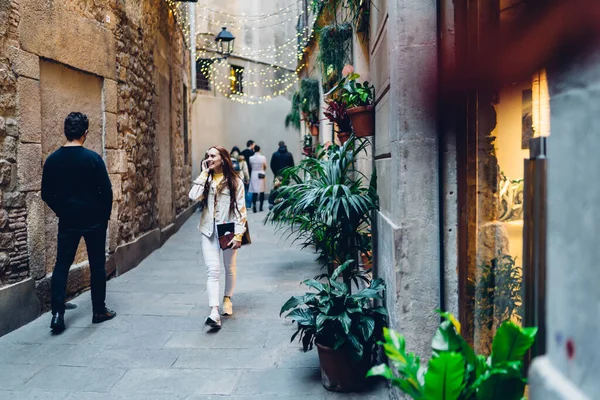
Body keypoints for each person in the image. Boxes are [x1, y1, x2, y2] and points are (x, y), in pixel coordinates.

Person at [41, 112, 116, 334]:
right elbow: (107, 191)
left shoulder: (53, 160)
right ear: (85, 133)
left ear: (65, 131)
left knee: (62, 265)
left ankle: (57, 315)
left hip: (68, 220)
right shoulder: (93, 159)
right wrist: (104, 216)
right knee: (97, 266)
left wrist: (62, 210)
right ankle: (98, 311)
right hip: (94, 221)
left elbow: (46, 193)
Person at [188, 146, 247, 330]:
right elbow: (192, 196)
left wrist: (239, 235)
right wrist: (204, 173)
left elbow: (241, 210)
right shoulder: (206, 178)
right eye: (207, 156)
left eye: (213, 156)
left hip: (227, 230)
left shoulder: (235, 181)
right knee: (212, 270)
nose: (209, 158)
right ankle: (214, 312)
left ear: (223, 158)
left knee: (229, 268)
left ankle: (227, 298)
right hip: (208, 230)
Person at [248, 145, 267, 213]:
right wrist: (262, 169)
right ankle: (261, 207)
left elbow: (250, 166)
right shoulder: (263, 157)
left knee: (254, 191)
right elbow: (265, 166)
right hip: (261, 173)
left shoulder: (251, 158)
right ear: (259, 150)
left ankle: (254, 206)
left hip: (254, 174)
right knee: (262, 191)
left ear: (254, 150)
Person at [240, 140, 255, 208]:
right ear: (251, 145)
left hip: (242, 173)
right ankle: (249, 204)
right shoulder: (252, 153)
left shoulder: (242, 152)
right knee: (250, 188)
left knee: (245, 189)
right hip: (250, 172)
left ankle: (245, 203)